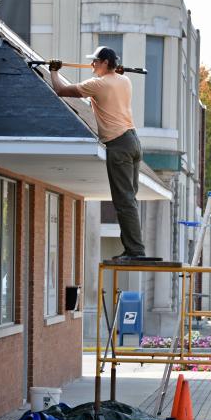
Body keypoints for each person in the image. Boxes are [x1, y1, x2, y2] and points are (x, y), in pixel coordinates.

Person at [49, 46, 145, 260]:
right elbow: (116, 77)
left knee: (123, 201)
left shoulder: (98, 84)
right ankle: (134, 247)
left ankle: (135, 250)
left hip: (119, 144)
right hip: (133, 142)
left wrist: (54, 71)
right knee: (129, 200)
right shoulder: (124, 80)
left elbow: (62, 90)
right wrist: (115, 71)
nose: (92, 65)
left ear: (105, 63)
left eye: (95, 61)